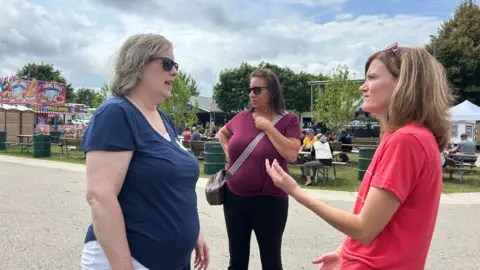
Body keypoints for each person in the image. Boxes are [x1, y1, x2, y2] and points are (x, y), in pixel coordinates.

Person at [265, 43, 454, 269]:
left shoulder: (407, 140)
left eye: (372, 77)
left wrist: (295, 191)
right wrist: (343, 253)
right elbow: (382, 223)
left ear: (404, 83)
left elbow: (364, 228)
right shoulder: (403, 137)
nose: (362, 87)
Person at [81, 33, 209, 270]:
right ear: (138, 65)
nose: (175, 72)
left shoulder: (163, 119)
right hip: (131, 260)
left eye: (176, 65)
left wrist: (195, 232)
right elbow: (100, 197)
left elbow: (173, 186)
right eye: (167, 63)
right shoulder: (116, 113)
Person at [216, 68, 302, 269]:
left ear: (271, 91)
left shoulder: (289, 120)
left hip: (270, 200)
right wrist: (229, 153)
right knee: (236, 261)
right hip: (234, 198)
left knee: (271, 262)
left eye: (257, 90)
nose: (251, 94)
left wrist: (268, 127)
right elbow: (222, 133)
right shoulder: (241, 117)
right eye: (250, 89)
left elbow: (291, 154)